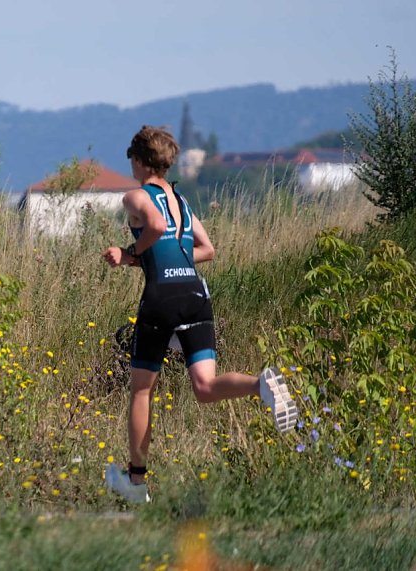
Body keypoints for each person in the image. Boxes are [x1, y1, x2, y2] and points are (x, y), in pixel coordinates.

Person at [101, 125, 297, 504]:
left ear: (140, 161)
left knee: (142, 389)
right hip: (195, 293)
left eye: (131, 161)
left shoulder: (135, 197)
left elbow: (155, 227)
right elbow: (206, 249)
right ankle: (263, 384)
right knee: (205, 388)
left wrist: (132, 254)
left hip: (162, 298)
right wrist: (146, 256)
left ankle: (136, 483)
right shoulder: (182, 201)